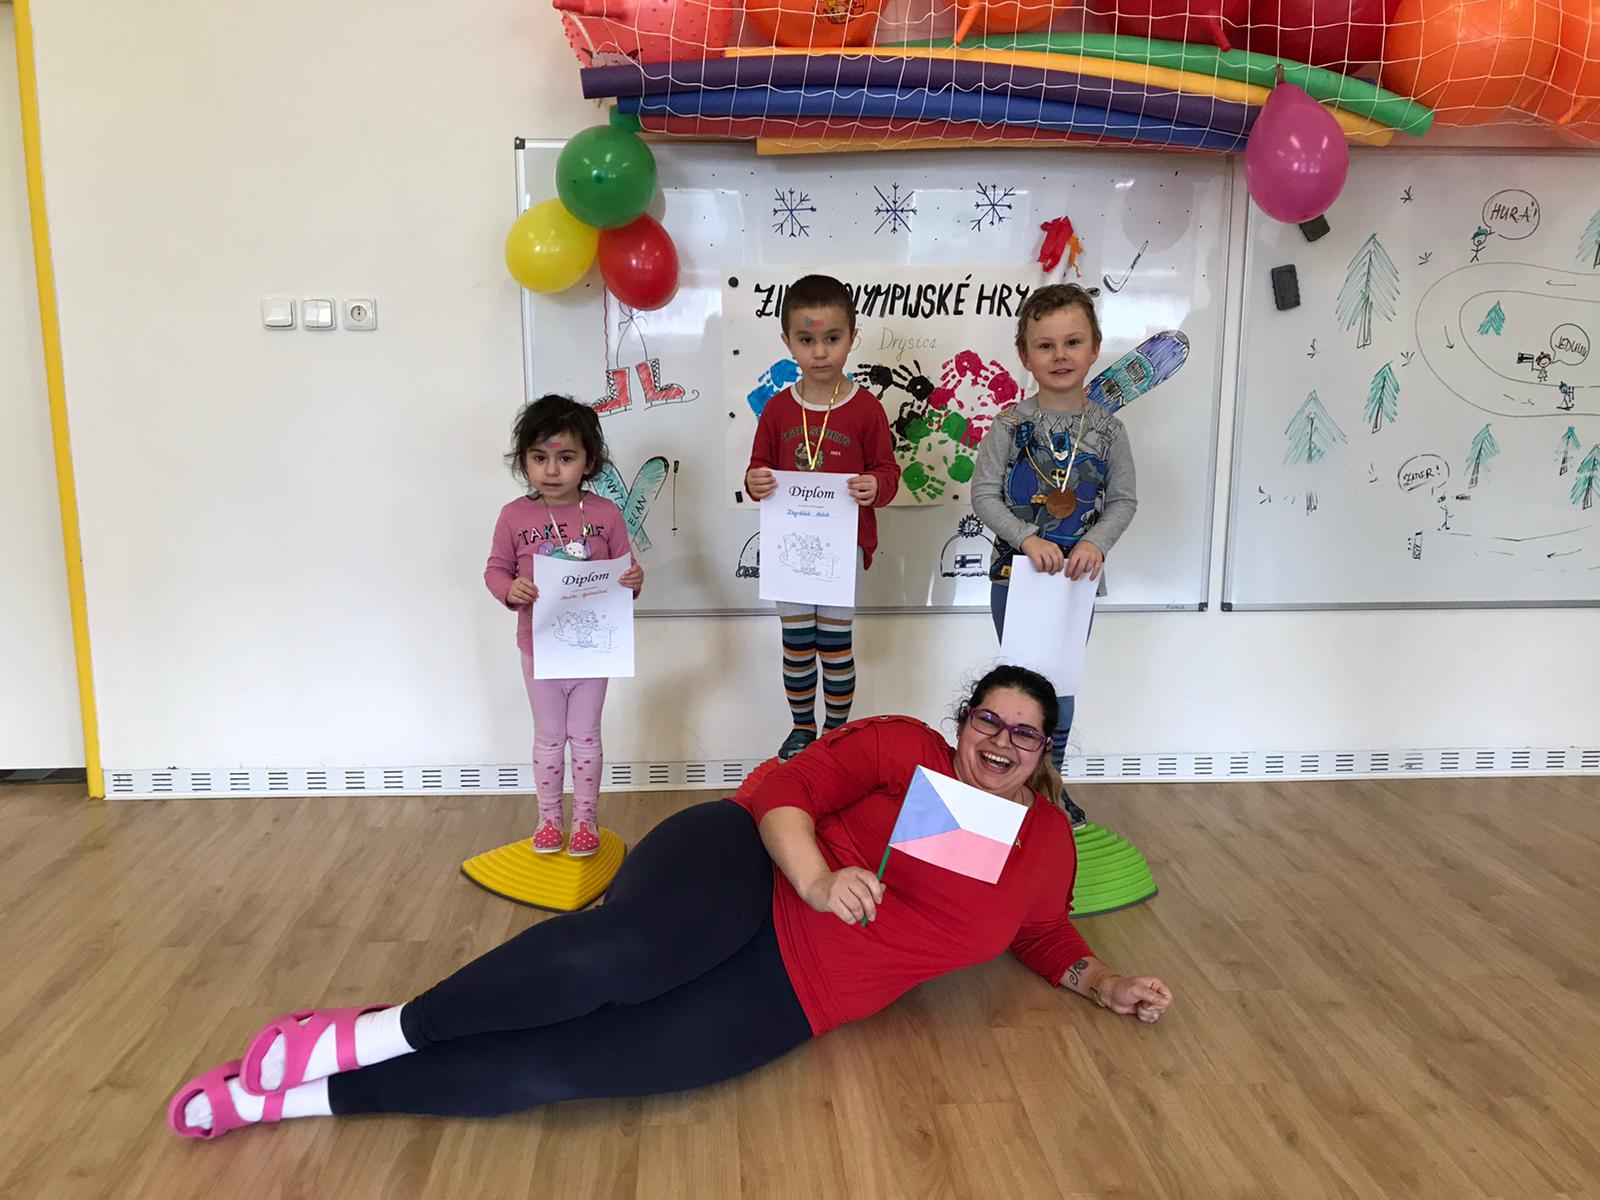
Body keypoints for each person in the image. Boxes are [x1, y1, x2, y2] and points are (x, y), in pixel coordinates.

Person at [167, 665, 1172, 1140]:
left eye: (1025, 733)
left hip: (797, 994)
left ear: (1047, 752)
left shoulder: (1046, 841)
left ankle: (295, 1098)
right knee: (619, 960)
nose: (1000, 741)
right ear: (962, 722)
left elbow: (1042, 930)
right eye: (988, 720)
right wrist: (818, 879)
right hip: (745, 864)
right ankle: (356, 1036)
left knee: (566, 1065)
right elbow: (783, 792)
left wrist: (1101, 981)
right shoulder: (904, 747)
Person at [970, 284, 1137, 797]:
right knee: (1017, 688)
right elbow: (983, 496)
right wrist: (1025, 538)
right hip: (1014, 579)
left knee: (1059, 690)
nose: (1060, 355)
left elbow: (1123, 501)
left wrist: (1096, 544)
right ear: (1025, 355)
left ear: (1094, 348)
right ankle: (1007, 786)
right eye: (1045, 345)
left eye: (1072, 342)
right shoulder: (1009, 425)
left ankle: (1049, 791)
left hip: (1074, 584)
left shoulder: (1109, 430)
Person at [744, 274, 901, 762]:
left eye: (832, 338)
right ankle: (801, 728)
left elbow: (888, 473)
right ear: (787, 341)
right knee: (796, 644)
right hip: (788, 551)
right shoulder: (776, 409)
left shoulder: (867, 409)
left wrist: (876, 486)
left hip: (841, 549)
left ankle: (836, 729)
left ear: (852, 337)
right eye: (806, 340)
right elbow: (756, 470)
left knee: (834, 644)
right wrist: (756, 481)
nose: (819, 352)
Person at [483, 395, 644, 857]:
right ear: (524, 460)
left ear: (589, 462)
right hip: (539, 649)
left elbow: (627, 574)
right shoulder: (514, 516)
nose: (551, 470)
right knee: (550, 738)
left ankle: (586, 820)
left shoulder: (606, 514)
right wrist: (509, 589)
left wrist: (634, 580)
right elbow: (495, 570)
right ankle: (550, 819)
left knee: (587, 737)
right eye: (539, 458)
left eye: (566, 458)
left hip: (592, 651)